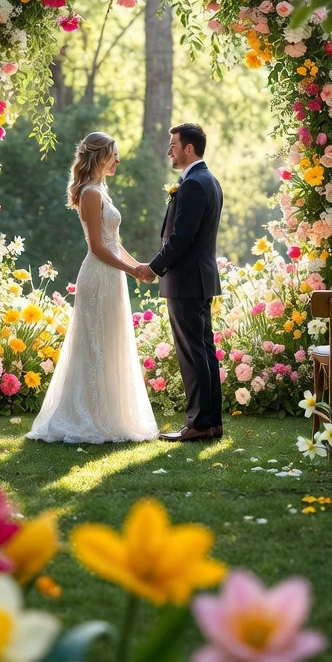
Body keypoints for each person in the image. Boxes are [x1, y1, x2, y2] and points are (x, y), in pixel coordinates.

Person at [27, 132, 158, 444]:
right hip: (99, 274)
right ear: (99, 156)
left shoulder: (101, 190)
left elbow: (115, 243)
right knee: (94, 343)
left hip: (112, 275)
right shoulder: (90, 193)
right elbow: (98, 247)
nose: (118, 160)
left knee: (110, 341)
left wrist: (138, 266)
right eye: (114, 154)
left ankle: (112, 414)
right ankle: (88, 416)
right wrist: (131, 270)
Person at [137, 123, 223, 442]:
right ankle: (211, 422)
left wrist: (154, 268)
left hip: (186, 281)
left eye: (173, 145)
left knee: (192, 353)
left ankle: (199, 422)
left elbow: (181, 238)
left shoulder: (193, 184)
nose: (169, 151)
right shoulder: (209, 181)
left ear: (189, 148)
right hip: (199, 280)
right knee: (204, 350)